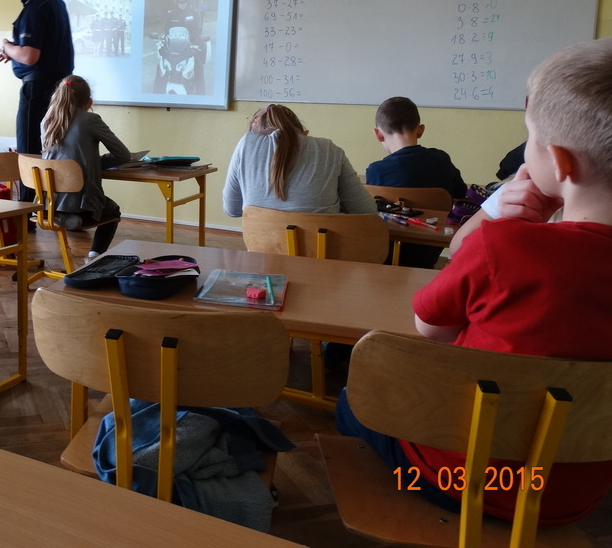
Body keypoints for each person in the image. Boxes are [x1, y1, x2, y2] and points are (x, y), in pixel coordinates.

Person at [336, 38, 612, 525]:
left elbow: (431, 329)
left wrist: (498, 223)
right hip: (580, 493)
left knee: (351, 400)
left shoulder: (502, 246)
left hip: (463, 479)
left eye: (530, 137)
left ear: (560, 162)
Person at [0, 0, 75, 174]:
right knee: (52, 151)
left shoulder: (35, 6)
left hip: (38, 89)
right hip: (59, 88)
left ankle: (30, 197)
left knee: (29, 151)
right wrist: (14, 52)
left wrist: (6, 47)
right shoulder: (55, 2)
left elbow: (30, 56)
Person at [223, 103, 376, 218]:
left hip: (262, 251)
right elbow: (366, 210)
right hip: (322, 251)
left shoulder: (245, 145)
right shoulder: (329, 149)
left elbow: (232, 210)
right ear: (304, 133)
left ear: (255, 132)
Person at [366, 96, 466, 267]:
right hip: (429, 254)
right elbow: (461, 193)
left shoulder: (376, 170)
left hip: (389, 256)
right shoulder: (442, 160)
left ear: (378, 134)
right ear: (420, 130)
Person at [41, 75, 130, 261]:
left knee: (67, 201)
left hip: (48, 201)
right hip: (82, 202)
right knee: (113, 210)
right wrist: (94, 164)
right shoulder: (90, 120)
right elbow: (123, 155)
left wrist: (88, 163)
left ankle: (63, 215)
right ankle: (94, 255)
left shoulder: (46, 121)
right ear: (89, 102)